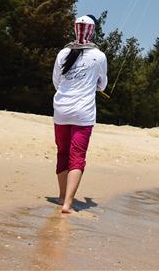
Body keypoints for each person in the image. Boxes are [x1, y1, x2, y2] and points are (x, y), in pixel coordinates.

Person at [52, 15, 107, 214]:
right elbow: (103, 85)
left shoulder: (63, 53)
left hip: (62, 109)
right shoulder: (99, 56)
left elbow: (57, 82)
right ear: (92, 31)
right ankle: (68, 202)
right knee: (77, 156)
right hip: (83, 111)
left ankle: (61, 196)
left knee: (62, 152)